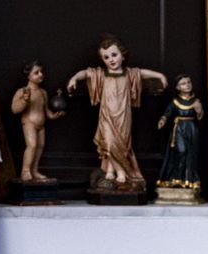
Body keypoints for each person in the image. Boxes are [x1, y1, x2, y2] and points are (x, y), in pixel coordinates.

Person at [67, 36, 167, 188]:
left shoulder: (129, 74)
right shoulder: (101, 74)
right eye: (106, 57)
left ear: (123, 55)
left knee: (121, 144)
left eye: (114, 55)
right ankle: (121, 172)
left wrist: (159, 75)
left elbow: (143, 73)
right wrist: (74, 78)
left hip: (123, 117)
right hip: (106, 116)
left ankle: (111, 169)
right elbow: (86, 73)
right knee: (108, 141)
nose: (111, 60)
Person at [11, 61, 63, 183]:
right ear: (28, 76)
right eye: (36, 73)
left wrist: (54, 115)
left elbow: (46, 111)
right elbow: (15, 109)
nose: (40, 75)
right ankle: (25, 171)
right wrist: (24, 100)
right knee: (32, 146)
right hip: (29, 123)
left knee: (40, 147)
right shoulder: (23, 91)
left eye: (41, 72)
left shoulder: (43, 92)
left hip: (41, 125)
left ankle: (34, 170)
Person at [155, 75, 204, 194]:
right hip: (179, 130)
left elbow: (201, 117)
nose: (187, 85)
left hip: (192, 129)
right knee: (181, 151)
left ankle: (189, 180)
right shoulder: (175, 102)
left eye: (188, 82)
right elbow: (167, 113)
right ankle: (176, 178)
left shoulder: (196, 101)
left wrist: (199, 111)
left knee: (191, 153)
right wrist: (163, 120)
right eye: (183, 83)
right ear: (177, 87)